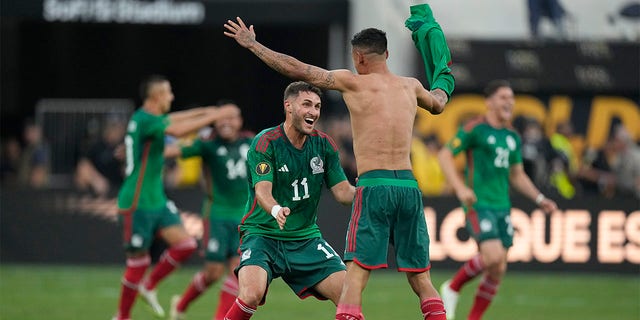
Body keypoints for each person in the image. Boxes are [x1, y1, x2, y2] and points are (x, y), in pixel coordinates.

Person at [223, 3, 453, 319]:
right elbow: (440, 101)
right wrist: (441, 65)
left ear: (358, 58)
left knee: (354, 282)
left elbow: (298, 70)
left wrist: (253, 45)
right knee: (422, 279)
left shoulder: (352, 82)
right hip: (409, 188)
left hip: (373, 185)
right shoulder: (411, 86)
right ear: (387, 55)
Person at [221, 81, 356, 320]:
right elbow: (263, 190)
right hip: (262, 234)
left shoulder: (324, 145)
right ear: (289, 107)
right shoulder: (266, 142)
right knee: (251, 294)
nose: (313, 112)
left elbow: (343, 192)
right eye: (306, 104)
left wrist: (369, 192)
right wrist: (275, 210)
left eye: (317, 106)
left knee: (350, 296)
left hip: (305, 238)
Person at [113, 75, 240, 320]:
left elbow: (173, 120)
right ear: (157, 96)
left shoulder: (150, 120)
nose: (172, 97)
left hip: (156, 199)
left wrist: (209, 110)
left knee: (186, 244)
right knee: (137, 262)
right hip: (137, 202)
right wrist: (216, 116)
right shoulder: (144, 119)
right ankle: (122, 316)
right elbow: (178, 129)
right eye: (169, 93)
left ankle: (149, 286)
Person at [437, 80, 558, 320]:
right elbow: (445, 154)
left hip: (502, 207)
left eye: (511, 97)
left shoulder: (512, 137)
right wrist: (460, 188)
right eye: (503, 97)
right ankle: (452, 288)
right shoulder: (476, 129)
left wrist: (539, 198)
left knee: (498, 269)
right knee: (492, 257)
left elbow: (517, 174)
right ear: (489, 102)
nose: (509, 102)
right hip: (479, 203)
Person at [164, 100, 254, 320]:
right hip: (217, 216)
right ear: (214, 121)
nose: (226, 122)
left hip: (245, 218)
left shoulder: (252, 141)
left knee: (238, 269)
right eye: (222, 117)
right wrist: (144, 148)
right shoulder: (207, 144)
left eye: (231, 117)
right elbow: (172, 151)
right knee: (213, 272)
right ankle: (181, 305)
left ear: (239, 121)